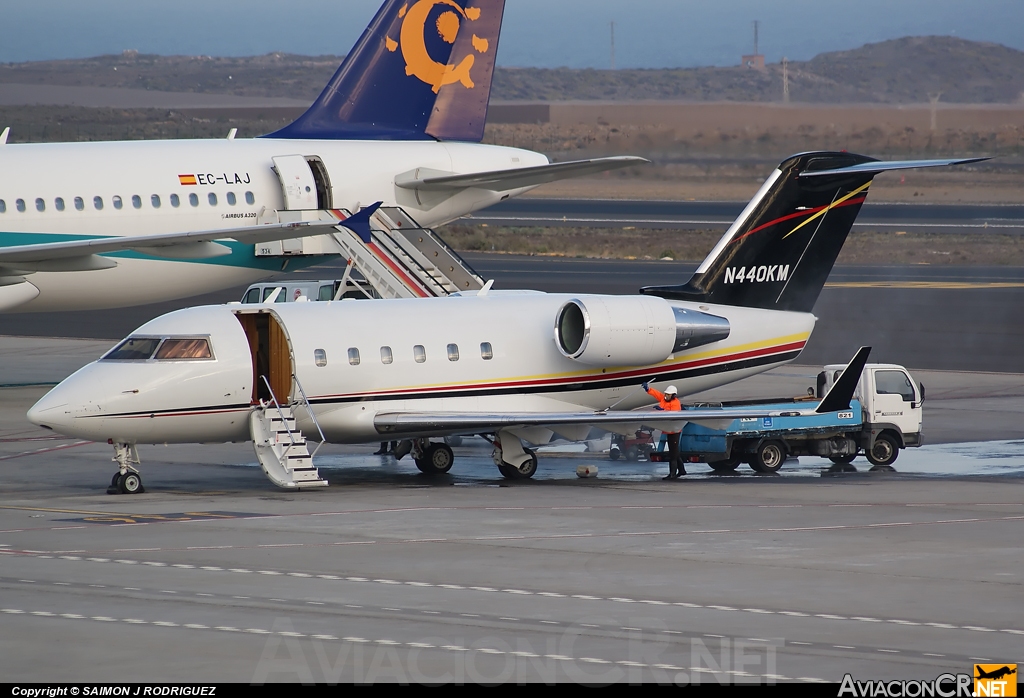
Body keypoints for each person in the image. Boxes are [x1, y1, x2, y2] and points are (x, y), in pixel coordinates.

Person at [642, 382, 684, 479]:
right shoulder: (664, 399)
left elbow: (673, 414)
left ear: (673, 395)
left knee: (673, 453)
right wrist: (648, 389)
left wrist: (662, 410)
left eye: (668, 394)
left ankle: (672, 474)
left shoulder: (675, 403)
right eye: (666, 394)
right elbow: (657, 394)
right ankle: (682, 470)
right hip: (668, 430)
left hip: (674, 430)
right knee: (675, 451)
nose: (666, 396)